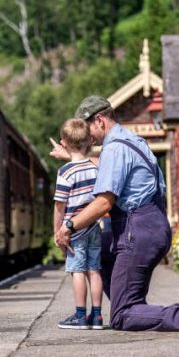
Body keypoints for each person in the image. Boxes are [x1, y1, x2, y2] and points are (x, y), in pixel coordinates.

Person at [54, 96, 179, 334]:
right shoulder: (132, 141)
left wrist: (68, 226)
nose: (87, 136)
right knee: (98, 247)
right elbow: (106, 166)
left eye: (88, 127)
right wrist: (71, 157)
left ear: (100, 120)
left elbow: (104, 202)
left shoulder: (113, 149)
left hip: (137, 230)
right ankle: (131, 306)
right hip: (152, 226)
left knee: (122, 317)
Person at [52, 119, 104, 330]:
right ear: (89, 141)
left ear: (63, 143)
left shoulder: (65, 172)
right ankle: (98, 316)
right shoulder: (95, 167)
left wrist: (57, 231)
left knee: (77, 271)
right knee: (94, 269)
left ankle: (80, 316)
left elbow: (59, 206)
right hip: (94, 226)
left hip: (74, 231)